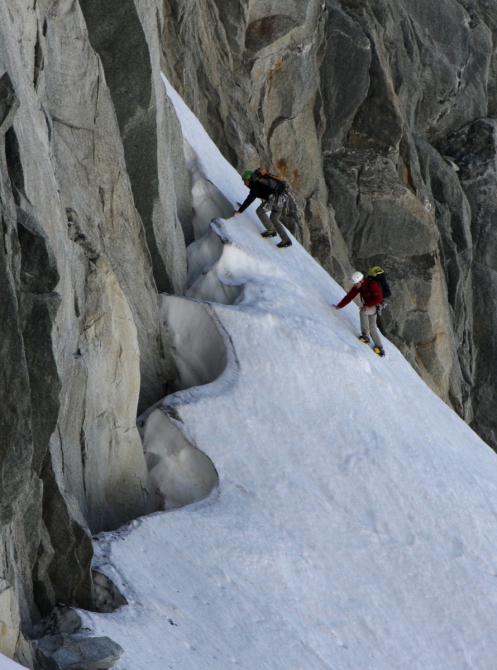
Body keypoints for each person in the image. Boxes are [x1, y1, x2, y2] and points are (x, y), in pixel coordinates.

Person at [234, 170, 292, 248]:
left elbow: (250, 199)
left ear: (250, 180)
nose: (244, 183)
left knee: (260, 211)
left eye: (245, 181)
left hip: (272, 201)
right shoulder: (260, 183)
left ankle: (271, 230)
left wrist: (240, 210)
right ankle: (286, 240)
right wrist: (242, 206)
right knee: (274, 219)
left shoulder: (256, 186)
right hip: (281, 200)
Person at [333, 271, 386, 357]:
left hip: (377, 305)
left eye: (357, 283)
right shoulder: (358, 287)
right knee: (372, 326)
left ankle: (365, 336)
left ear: (361, 281)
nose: (355, 285)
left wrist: (368, 306)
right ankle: (380, 348)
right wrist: (339, 306)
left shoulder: (372, 285)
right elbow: (349, 296)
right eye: (355, 284)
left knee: (363, 312)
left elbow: (379, 298)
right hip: (370, 305)